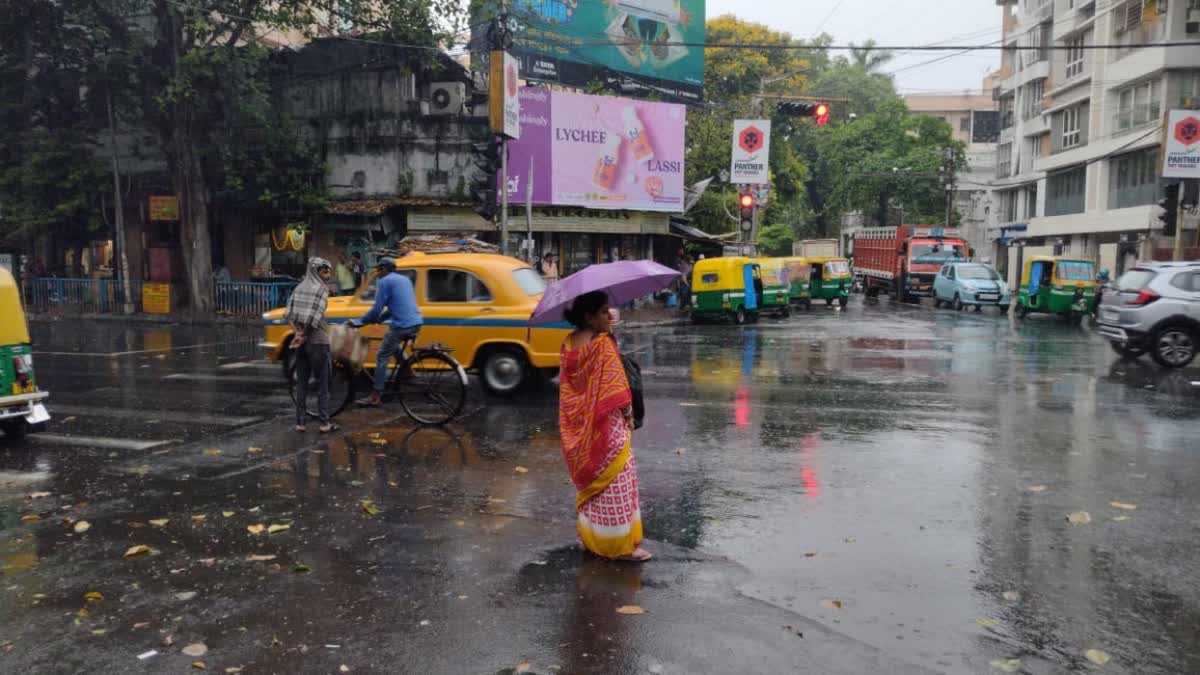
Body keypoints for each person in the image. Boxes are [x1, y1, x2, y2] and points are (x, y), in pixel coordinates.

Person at [558, 290, 650, 562]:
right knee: (618, 483)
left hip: (579, 427)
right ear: (588, 316)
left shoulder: (568, 344)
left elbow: (571, 389)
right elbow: (617, 391)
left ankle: (592, 540)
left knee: (592, 486)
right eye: (602, 311)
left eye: (609, 310)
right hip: (607, 428)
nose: (609, 315)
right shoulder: (602, 345)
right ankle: (621, 547)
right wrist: (630, 414)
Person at [351, 257, 423, 407]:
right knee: (393, 344)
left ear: (383, 269)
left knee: (382, 355)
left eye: (378, 269)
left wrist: (359, 322)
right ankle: (408, 373)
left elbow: (376, 308)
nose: (377, 273)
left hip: (402, 324)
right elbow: (395, 305)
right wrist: (381, 318)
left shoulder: (385, 281)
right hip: (416, 321)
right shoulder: (404, 280)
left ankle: (375, 395)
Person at [285, 257, 337, 433]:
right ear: (316, 271)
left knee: (302, 384)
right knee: (323, 383)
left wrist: (298, 334)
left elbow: (289, 315)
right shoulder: (322, 289)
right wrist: (305, 334)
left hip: (301, 344)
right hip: (318, 342)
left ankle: (300, 423)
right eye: (325, 272)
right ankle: (324, 423)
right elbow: (313, 319)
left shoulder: (299, 288)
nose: (328, 275)